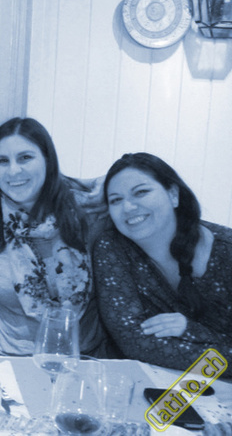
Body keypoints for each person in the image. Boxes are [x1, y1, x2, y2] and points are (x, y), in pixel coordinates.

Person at [0, 117, 105, 357]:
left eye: (25, 158)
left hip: (78, 359)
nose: (13, 171)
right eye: (3, 161)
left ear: (47, 160)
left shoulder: (90, 217)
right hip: (1, 356)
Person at [93, 152, 232, 373]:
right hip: (151, 382)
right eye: (116, 200)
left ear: (173, 194)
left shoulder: (226, 250)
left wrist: (191, 330)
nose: (128, 207)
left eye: (141, 192)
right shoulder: (112, 248)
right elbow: (135, 343)